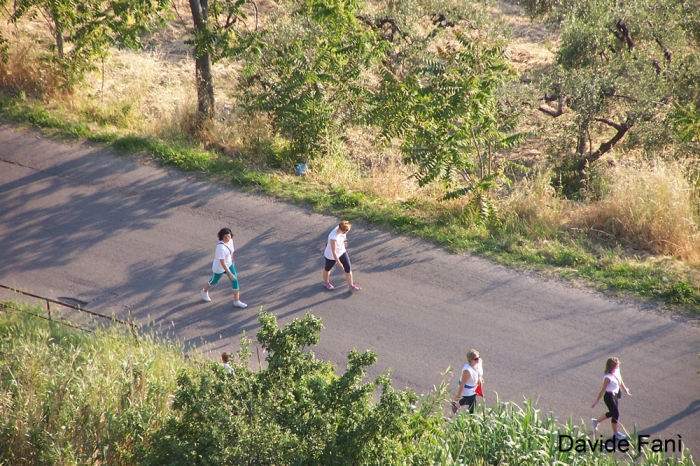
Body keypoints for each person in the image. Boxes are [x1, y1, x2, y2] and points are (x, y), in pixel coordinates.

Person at [201, 228, 247, 308]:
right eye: (225, 237)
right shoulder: (220, 248)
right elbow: (222, 262)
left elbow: (231, 252)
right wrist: (230, 274)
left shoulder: (230, 241)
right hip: (220, 267)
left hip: (229, 264)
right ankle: (204, 291)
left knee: (235, 281)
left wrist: (232, 262)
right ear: (222, 237)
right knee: (214, 281)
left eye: (229, 236)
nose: (228, 238)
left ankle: (236, 301)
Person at [591, 357, 631, 440]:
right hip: (609, 397)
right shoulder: (607, 378)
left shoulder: (616, 371)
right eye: (617, 365)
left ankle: (596, 421)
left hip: (615, 395)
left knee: (613, 413)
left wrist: (625, 388)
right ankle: (616, 433)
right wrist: (596, 402)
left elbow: (620, 379)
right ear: (612, 366)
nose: (618, 366)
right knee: (616, 414)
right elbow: (602, 390)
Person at [322, 220, 361, 291]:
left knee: (348, 268)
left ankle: (351, 286)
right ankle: (326, 282)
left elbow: (344, 235)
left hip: (342, 251)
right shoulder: (333, 237)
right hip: (331, 255)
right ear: (340, 229)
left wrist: (345, 241)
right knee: (328, 268)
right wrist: (339, 263)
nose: (345, 233)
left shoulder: (342, 228)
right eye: (344, 232)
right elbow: (334, 252)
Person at [452, 349, 484, 414]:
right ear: (470, 360)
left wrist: (479, 377)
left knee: (469, 400)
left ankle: (456, 405)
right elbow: (462, 384)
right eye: (475, 359)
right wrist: (457, 397)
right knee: (472, 402)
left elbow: (479, 370)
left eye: (478, 357)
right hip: (467, 389)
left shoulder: (478, 362)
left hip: (474, 387)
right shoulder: (467, 370)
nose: (478, 360)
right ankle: (471, 418)